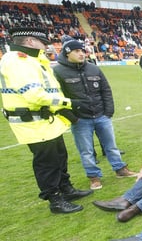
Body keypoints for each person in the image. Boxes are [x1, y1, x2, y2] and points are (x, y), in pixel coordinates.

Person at [0, 26, 92, 214]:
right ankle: (55, 199)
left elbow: (49, 91)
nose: (46, 47)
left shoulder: (33, 60)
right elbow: (34, 95)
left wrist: (64, 110)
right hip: (33, 123)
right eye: (43, 42)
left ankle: (66, 188)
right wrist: (70, 103)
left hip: (46, 121)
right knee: (47, 163)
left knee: (59, 156)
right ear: (30, 41)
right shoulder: (18, 62)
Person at [53, 36, 137, 190]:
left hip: (101, 116)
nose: (81, 54)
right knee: (86, 151)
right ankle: (94, 177)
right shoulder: (58, 71)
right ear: (67, 53)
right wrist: (73, 118)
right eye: (77, 51)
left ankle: (120, 169)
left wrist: (108, 112)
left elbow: (106, 90)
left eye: (82, 51)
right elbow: (57, 98)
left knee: (111, 146)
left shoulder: (93, 67)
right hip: (80, 119)